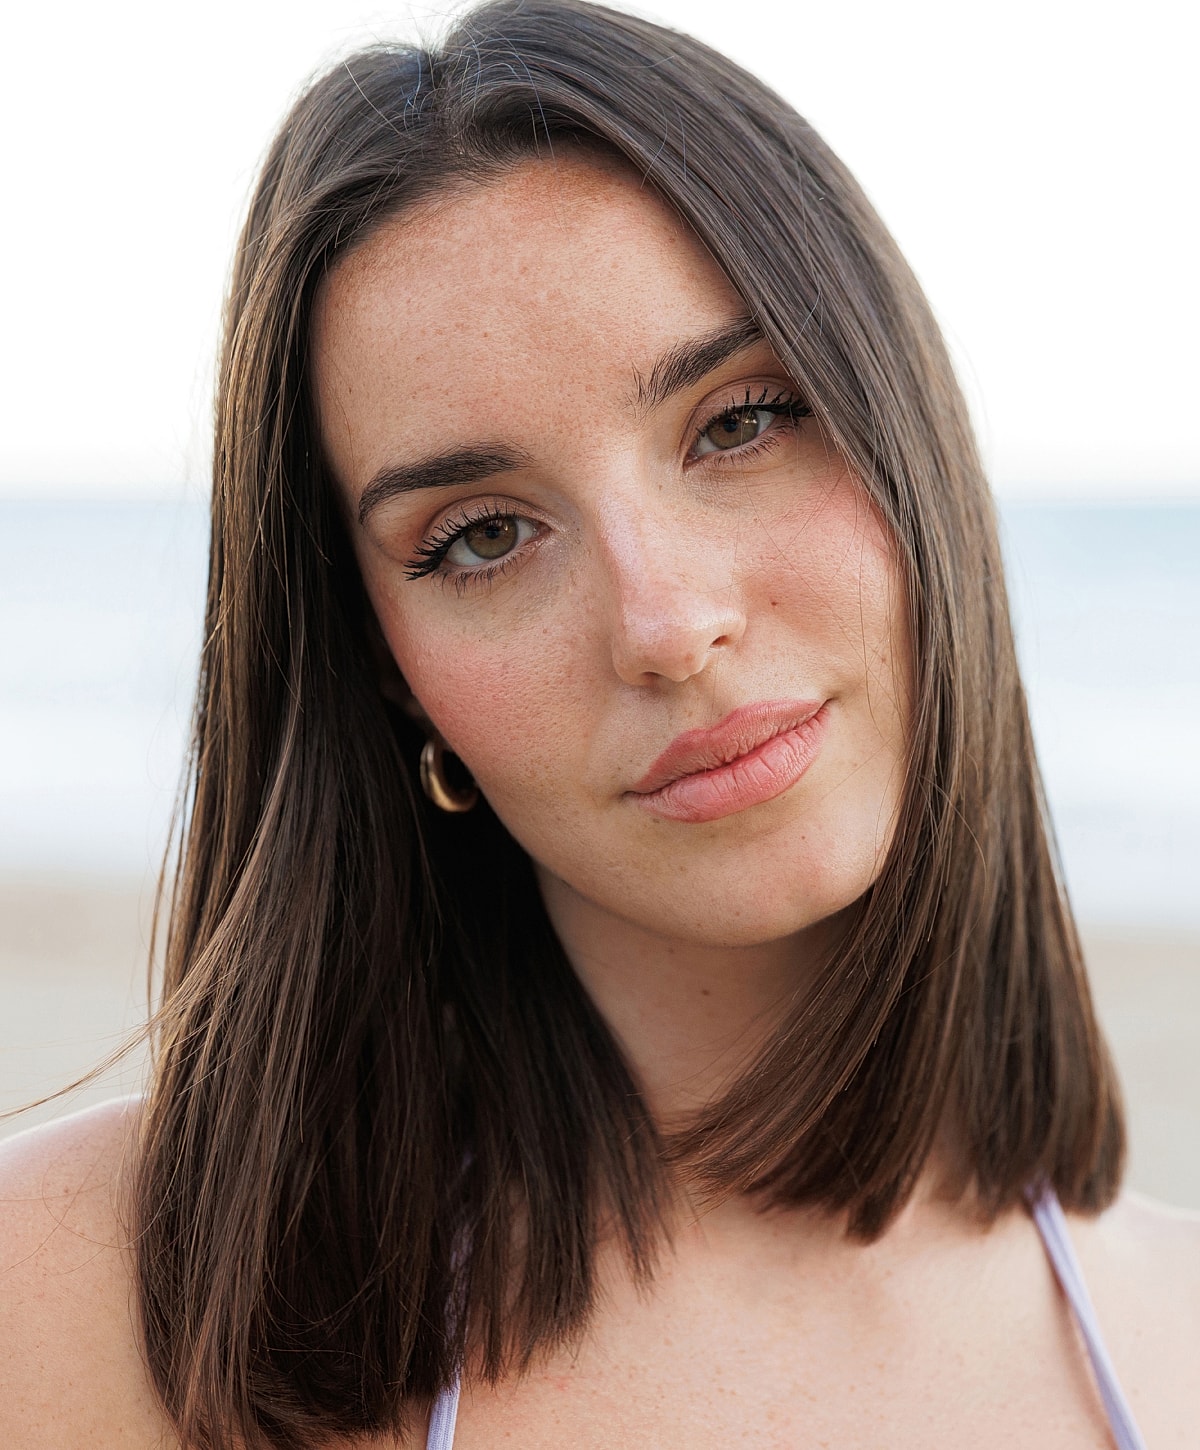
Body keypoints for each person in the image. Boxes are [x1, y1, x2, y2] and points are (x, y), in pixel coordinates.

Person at [1, 1, 1196, 1446]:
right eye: (485, 533)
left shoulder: (1172, 1336)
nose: (665, 621)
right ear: (387, 667)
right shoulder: (106, 1299)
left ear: (906, 426)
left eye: (740, 420)